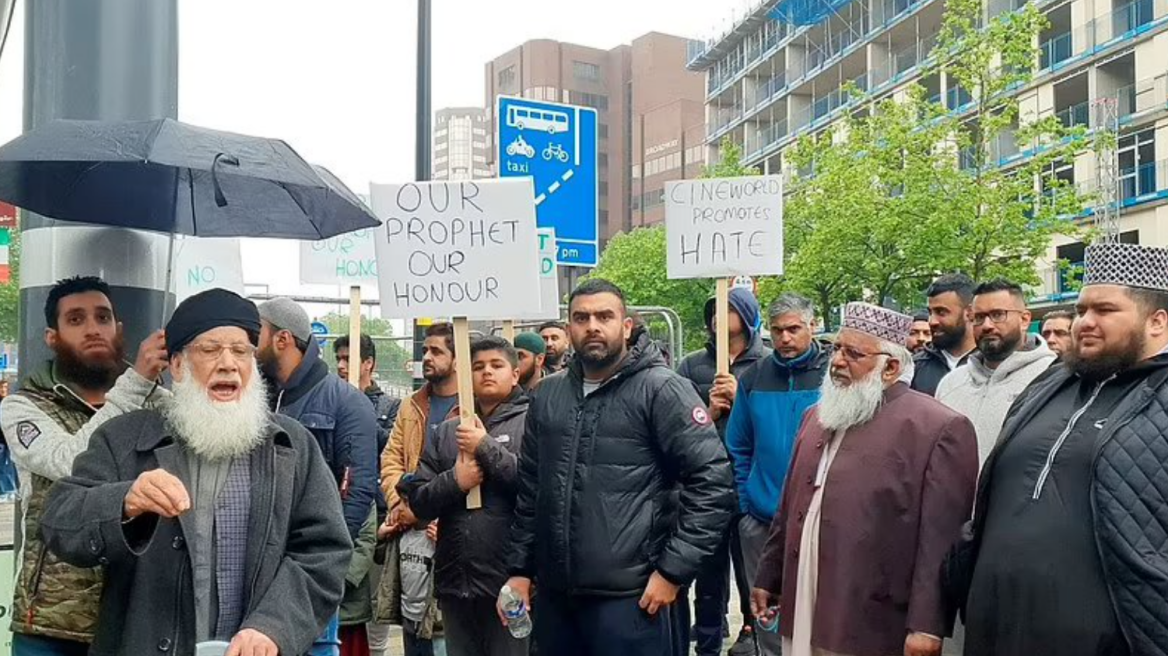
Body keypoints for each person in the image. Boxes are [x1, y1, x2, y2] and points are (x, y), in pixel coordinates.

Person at [39, 288, 352, 656]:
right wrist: (124, 501)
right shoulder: (124, 438)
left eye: (241, 351)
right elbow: (59, 521)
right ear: (177, 365)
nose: (228, 364)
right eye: (209, 350)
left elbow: (324, 553)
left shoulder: (292, 446)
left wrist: (274, 627)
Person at [501, 279, 735, 655]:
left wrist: (672, 571)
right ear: (568, 329)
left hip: (634, 602)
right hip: (557, 602)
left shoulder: (662, 390)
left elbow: (713, 482)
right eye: (581, 317)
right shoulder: (547, 396)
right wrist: (520, 570)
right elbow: (531, 491)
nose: (593, 325)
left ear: (625, 327)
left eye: (604, 316)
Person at [956, 243, 1168, 656]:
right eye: (1082, 309)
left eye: (1105, 311)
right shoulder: (1049, 385)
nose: (1084, 322)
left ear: (1157, 321)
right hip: (994, 628)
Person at [752, 302, 978, 656]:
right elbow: (790, 504)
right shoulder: (817, 416)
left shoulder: (937, 428)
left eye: (853, 353)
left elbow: (940, 540)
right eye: (836, 349)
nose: (838, 362)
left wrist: (926, 625)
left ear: (889, 367)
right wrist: (769, 574)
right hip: (804, 599)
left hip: (872, 615)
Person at [0, 276, 169, 656]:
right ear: (51, 336)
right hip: (51, 624)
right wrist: (136, 383)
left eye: (103, 317)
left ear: (119, 328)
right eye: (75, 320)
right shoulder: (24, 407)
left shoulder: (157, 403)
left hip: (135, 619)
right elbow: (71, 461)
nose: (93, 329)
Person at [256, 297, 379, 656]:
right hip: (256, 573)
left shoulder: (347, 403)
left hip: (308, 575)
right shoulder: (254, 399)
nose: (248, 343)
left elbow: (357, 493)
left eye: (256, 333)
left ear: (283, 340)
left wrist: (322, 563)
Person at [404, 336, 530, 656]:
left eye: (496, 365)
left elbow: (534, 486)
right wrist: (456, 482)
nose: (487, 372)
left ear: (515, 374)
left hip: (511, 582)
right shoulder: (447, 432)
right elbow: (419, 500)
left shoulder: (534, 422)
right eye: (478, 367)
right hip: (456, 582)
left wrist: (484, 447)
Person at [726, 293, 829, 656]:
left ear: (811, 326)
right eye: (777, 330)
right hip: (762, 520)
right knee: (766, 611)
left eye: (794, 329)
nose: (785, 338)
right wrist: (745, 500)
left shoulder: (835, 373)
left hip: (821, 520)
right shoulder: (754, 377)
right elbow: (738, 443)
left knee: (820, 612)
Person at [675, 287, 771, 656]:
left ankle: (757, 641)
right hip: (705, 487)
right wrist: (708, 410)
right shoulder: (691, 366)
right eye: (713, 309)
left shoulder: (767, 365)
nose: (717, 315)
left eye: (727, 308)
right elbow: (678, 424)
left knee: (754, 576)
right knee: (708, 577)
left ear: (746, 315)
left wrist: (742, 399)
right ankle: (709, 644)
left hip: (750, 487)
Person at [378, 322, 459, 656]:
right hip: (411, 534)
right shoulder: (411, 405)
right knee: (414, 630)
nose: (427, 357)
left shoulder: (474, 404)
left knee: (446, 634)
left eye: (436, 351)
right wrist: (401, 507)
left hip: (453, 537)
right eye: (425, 350)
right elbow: (391, 459)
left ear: (457, 359)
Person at [936, 279, 1056, 465]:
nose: (987, 325)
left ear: (1024, 319)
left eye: (998, 315)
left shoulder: (1052, 378)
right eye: (979, 317)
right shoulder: (950, 384)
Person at [334, 333, 401, 655]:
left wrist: (358, 413)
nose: (342, 366)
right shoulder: (331, 402)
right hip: (349, 520)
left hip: (382, 523)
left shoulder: (390, 406)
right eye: (339, 360)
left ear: (369, 363)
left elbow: (393, 449)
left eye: (349, 359)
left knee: (376, 621)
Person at [913, 274, 978, 396]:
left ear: (970, 313)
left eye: (941, 312)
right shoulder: (914, 368)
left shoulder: (990, 365)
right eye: (930, 312)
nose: (932, 322)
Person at [0, 378, 19, 498]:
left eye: (5, 388)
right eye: (2, 388)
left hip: (7, 440)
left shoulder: (7, 403)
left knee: (10, 466)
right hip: (1, 440)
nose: (4, 390)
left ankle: (9, 490)